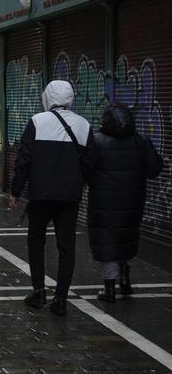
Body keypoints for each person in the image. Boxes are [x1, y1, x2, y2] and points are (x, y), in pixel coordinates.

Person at [11, 80, 94, 316]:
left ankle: (38, 292)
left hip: (40, 195)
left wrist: (15, 191)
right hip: (69, 196)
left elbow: (23, 160)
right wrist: (79, 182)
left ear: (47, 97)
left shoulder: (37, 122)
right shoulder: (83, 125)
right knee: (66, 245)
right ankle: (61, 299)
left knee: (36, 241)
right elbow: (89, 162)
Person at [87, 103, 163, 303]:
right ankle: (126, 279)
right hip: (132, 200)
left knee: (107, 240)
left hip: (103, 203)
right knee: (126, 237)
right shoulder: (140, 141)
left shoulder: (97, 141)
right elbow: (155, 169)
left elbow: (85, 169)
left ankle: (109, 288)